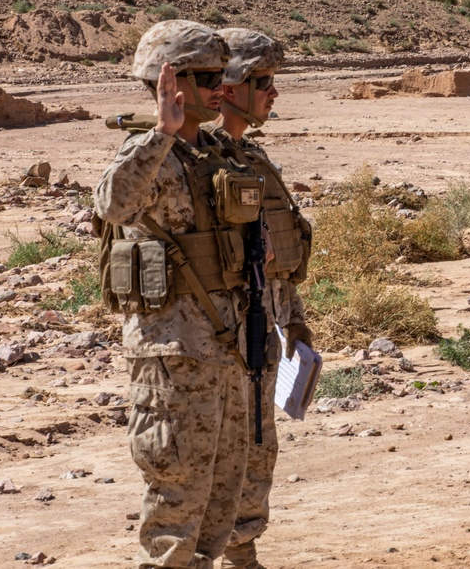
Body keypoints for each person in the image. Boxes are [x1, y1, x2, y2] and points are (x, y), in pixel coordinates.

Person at [95, 19, 251, 569]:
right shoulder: (148, 151)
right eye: (210, 75)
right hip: (172, 352)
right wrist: (161, 132)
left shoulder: (212, 153)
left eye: (224, 75)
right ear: (172, 79)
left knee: (222, 491)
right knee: (177, 490)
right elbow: (112, 205)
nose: (220, 87)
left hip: (227, 347)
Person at [207, 28, 313, 569]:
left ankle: (242, 552)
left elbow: (279, 251)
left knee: (256, 446)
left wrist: (294, 320)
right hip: (223, 338)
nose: (274, 93)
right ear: (227, 87)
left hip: (262, 330)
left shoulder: (252, 158)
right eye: (263, 81)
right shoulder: (201, 163)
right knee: (222, 453)